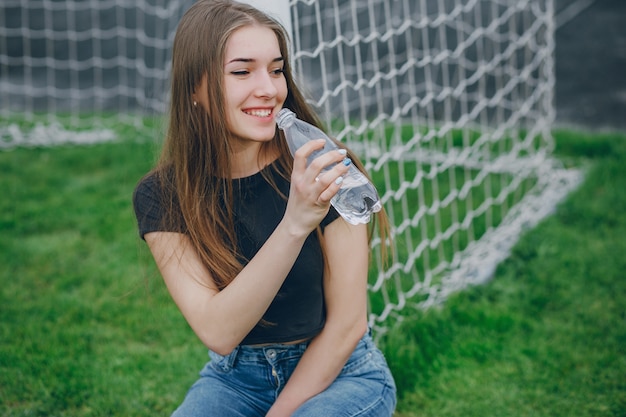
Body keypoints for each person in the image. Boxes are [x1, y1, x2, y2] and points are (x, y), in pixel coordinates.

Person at [132, 1, 397, 415]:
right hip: (236, 379)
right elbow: (218, 331)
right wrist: (295, 224)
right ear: (194, 88)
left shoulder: (325, 170)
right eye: (242, 71)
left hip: (342, 372)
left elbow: (348, 326)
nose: (270, 89)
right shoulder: (163, 195)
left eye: (276, 70)